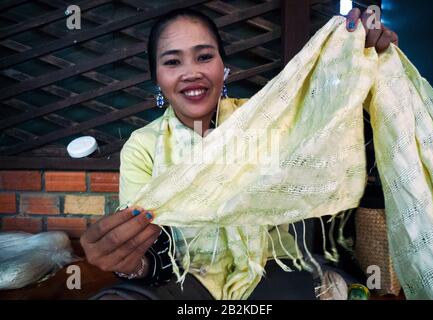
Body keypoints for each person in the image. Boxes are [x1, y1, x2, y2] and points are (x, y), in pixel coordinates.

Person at [81, 7, 399, 300]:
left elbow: (329, 123)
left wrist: (361, 62)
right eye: (173, 61)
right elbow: (152, 250)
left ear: (224, 68)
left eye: (204, 57)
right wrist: (132, 262)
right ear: (157, 79)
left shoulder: (266, 119)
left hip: (273, 265)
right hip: (188, 273)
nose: (191, 72)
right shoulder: (143, 145)